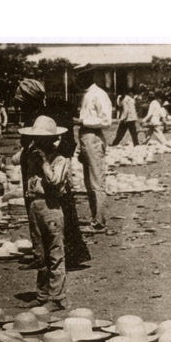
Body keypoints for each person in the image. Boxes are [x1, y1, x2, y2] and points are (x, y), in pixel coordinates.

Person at [14, 78, 90, 270]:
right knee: (34, 209)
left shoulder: (51, 112)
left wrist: (51, 159)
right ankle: (41, 254)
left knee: (59, 209)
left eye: (23, 102)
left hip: (50, 168)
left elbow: (67, 143)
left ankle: (67, 254)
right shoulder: (34, 113)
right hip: (33, 168)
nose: (21, 107)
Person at [20, 116, 70, 311]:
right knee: (39, 253)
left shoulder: (59, 159)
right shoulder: (31, 155)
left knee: (55, 253)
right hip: (35, 205)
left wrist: (43, 162)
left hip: (51, 207)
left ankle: (57, 297)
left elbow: (54, 181)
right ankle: (42, 294)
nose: (38, 143)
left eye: (42, 139)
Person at [76, 71, 112, 233]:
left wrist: (82, 121)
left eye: (79, 78)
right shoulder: (88, 94)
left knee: (97, 181)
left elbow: (106, 121)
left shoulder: (99, 94)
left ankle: (99, 222)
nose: (76, 81)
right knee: (89, 182)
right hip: (85, 137)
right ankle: (95, 217)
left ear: (87, 78)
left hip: (93, 137)